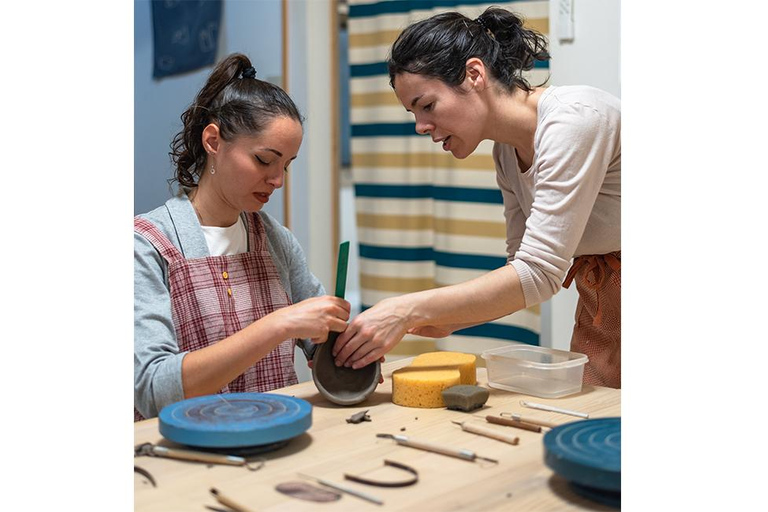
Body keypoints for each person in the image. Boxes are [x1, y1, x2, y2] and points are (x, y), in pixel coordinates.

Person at [333, 7, 621, 388]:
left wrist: (404, 309)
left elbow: (539, 274)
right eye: (412, 113)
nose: (421, 126)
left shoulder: (574, 119)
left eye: (427, 105)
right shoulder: (506, 151)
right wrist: (451, 318)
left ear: (474, 74)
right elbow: (522, 266)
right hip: (607, 300)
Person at [134, 53, 350, 420]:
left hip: (277, 440)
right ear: (213, 141)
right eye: (265, 160)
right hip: (182, 461)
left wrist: (349, 346)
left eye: (286, 165)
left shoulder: (274, 240)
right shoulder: (147, 245)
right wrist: (279, 324)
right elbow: (154, 389)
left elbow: (323, 347)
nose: (278, 180)